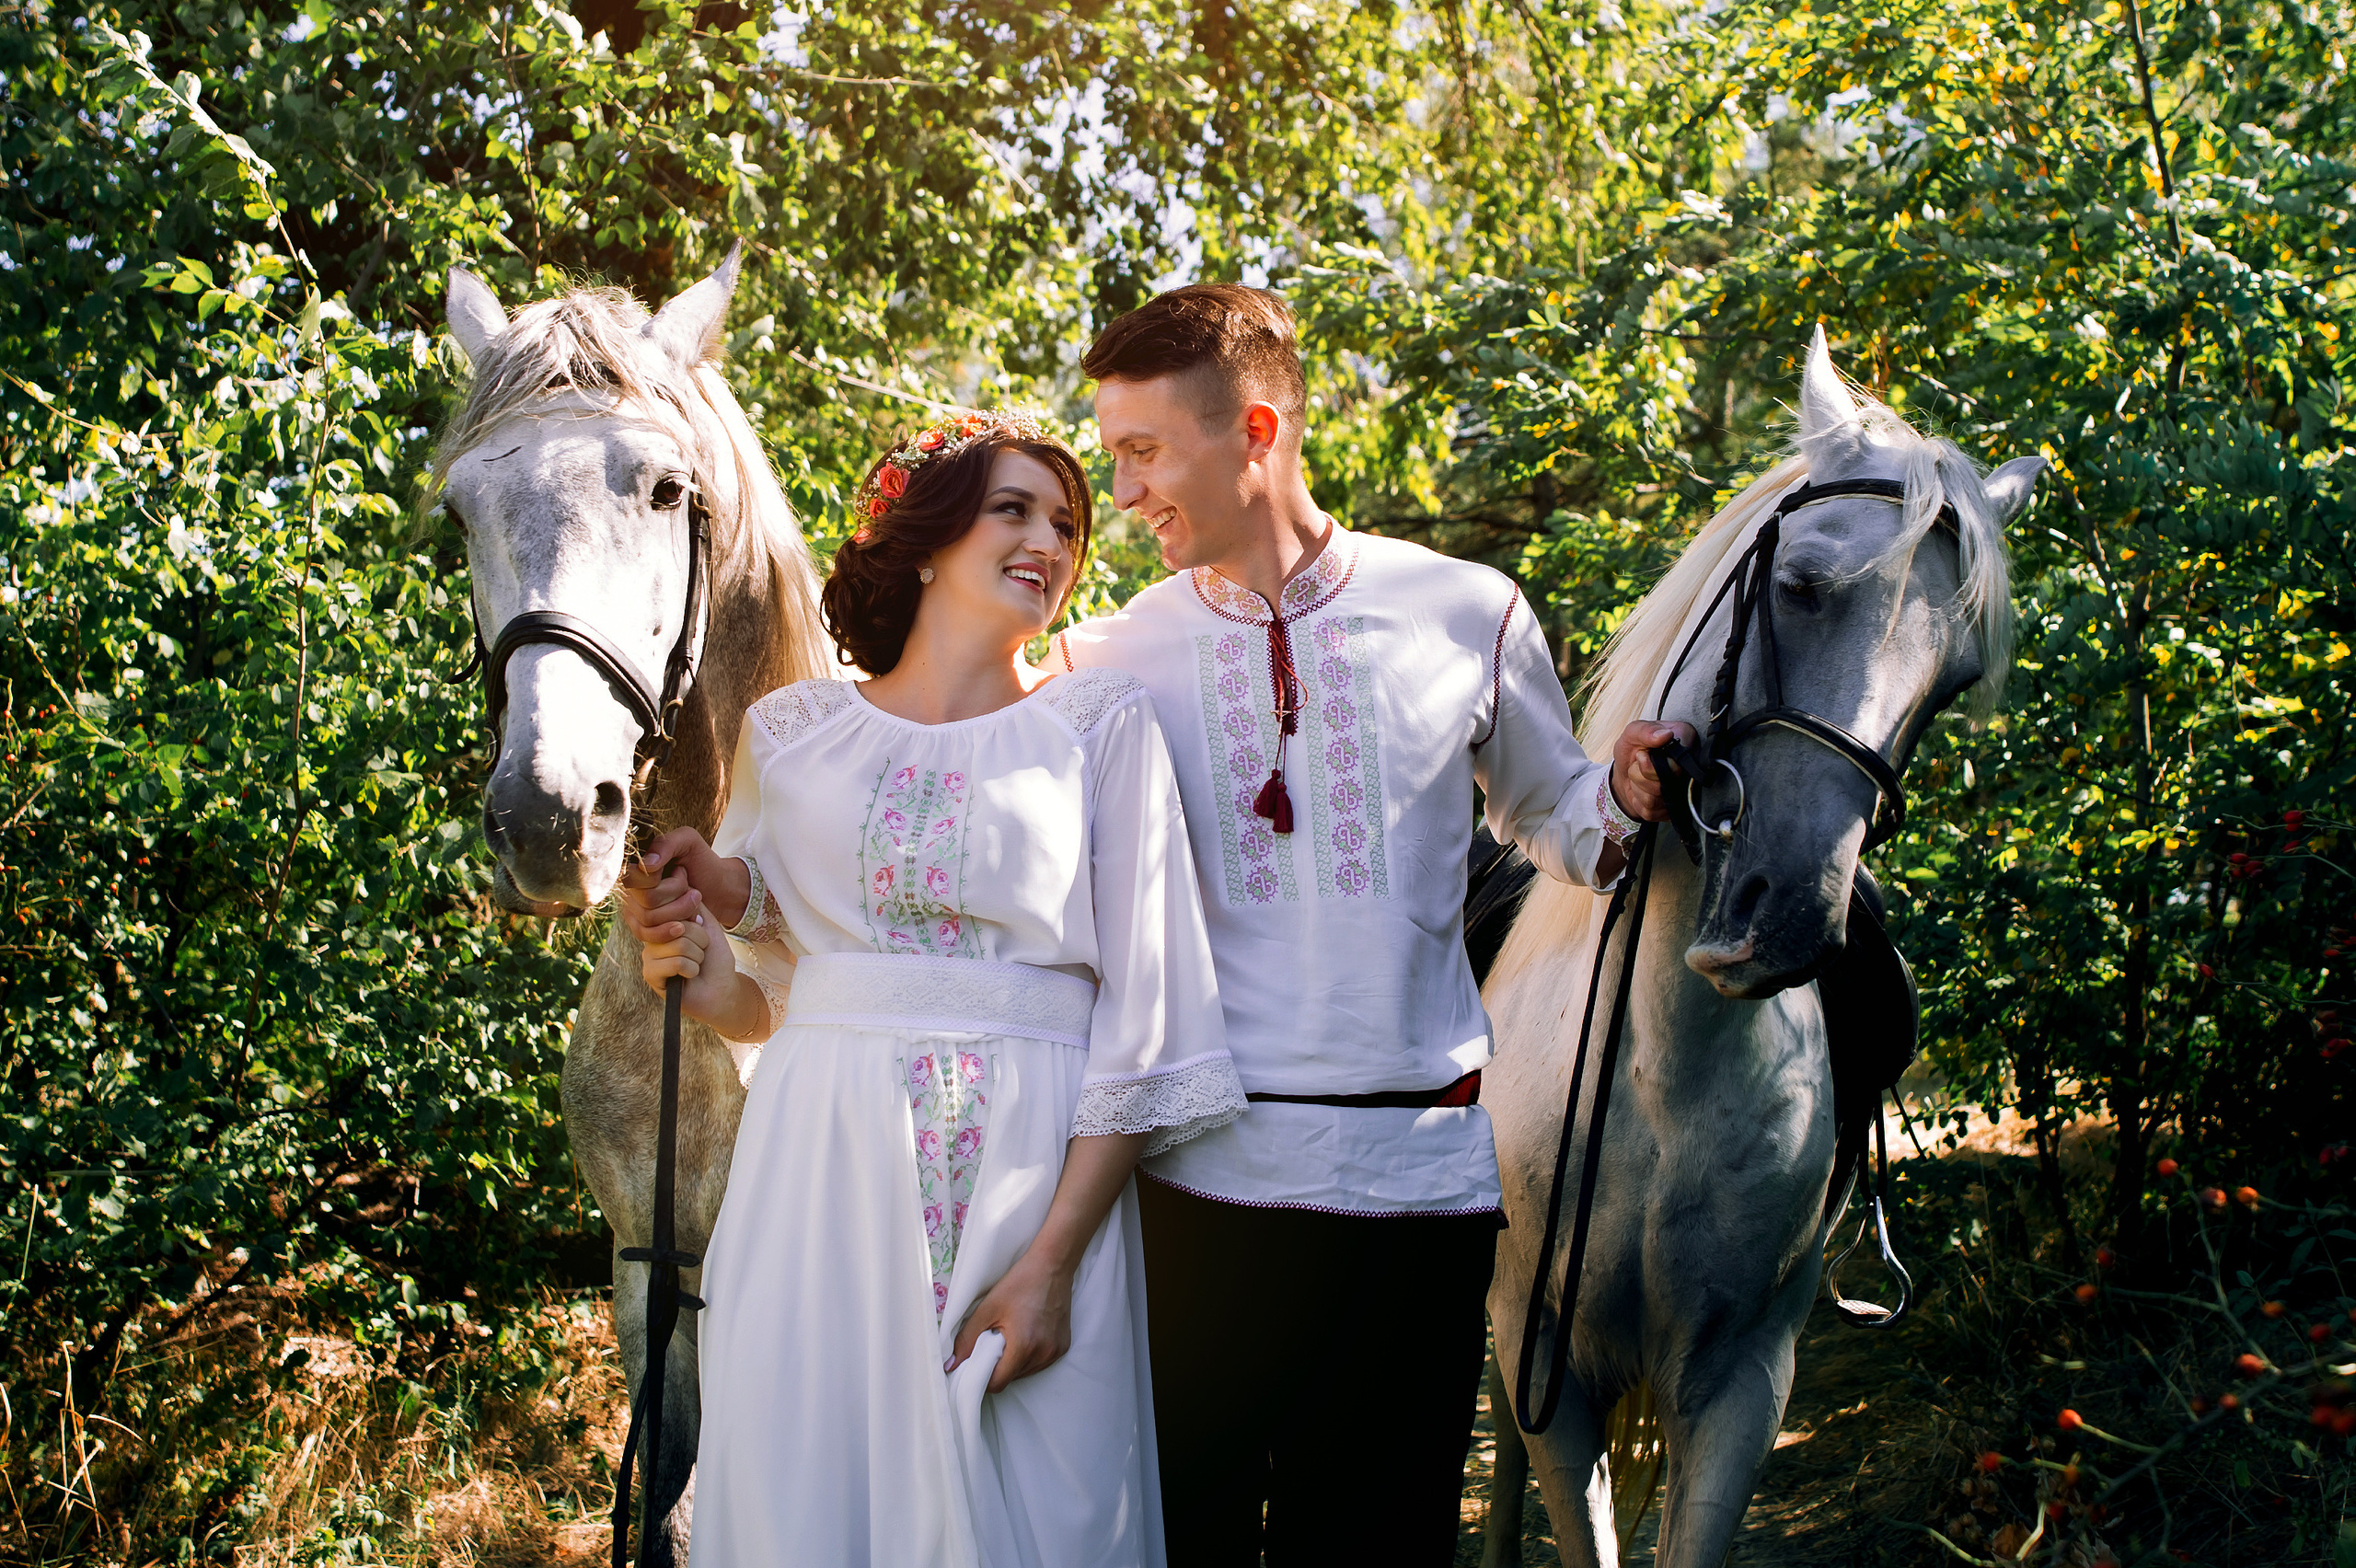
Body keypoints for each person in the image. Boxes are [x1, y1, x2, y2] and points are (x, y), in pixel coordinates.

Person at [1040, 283, 1691, 1564]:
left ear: (1258, 431)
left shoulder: (1471, 611)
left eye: (1143, 452)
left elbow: (1564, 823)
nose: (1120, 493)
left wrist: (1621, 787)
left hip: (1417, 1201)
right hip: (1195, 1200)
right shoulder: (1106, 660)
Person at [618, 410, 1247, 1568]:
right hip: (813, 1175)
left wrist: (1053, 1263)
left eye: (1066, 522)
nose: (1050, 542)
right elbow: (770, 996)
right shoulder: (792, 731)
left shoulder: (1098, 725)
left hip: (1028, 1181)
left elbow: (1148, 1024)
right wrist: (692, 943)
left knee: (1042, 1509)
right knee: (814, 1498)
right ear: (922, 538)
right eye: (1013, 510)